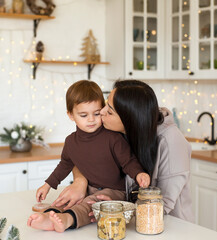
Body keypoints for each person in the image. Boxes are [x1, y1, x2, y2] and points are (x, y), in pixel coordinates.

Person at [52, 79, 194, 222]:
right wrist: (80, 181)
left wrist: (120, 206)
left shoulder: (172, 142)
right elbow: (82, 156)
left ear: (129, 118)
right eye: (106, 104)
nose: (101, 112)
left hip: (169, 227)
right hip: (130, 224)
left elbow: (162, 206)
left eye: (110, 111)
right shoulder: (120, 132)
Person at [27, 80, 150, 232]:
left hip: (114, 191)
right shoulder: (71, 142)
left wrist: (139, 173)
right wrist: (47, 185)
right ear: (71, 115)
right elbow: (64, 165)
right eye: (84, 115)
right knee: (67, 199)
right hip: (90, 187)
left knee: (91, 204)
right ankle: (48, 216)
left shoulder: (113, 137)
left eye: (97, 113)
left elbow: (128, 161)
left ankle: (67, 220)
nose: (91, 119)